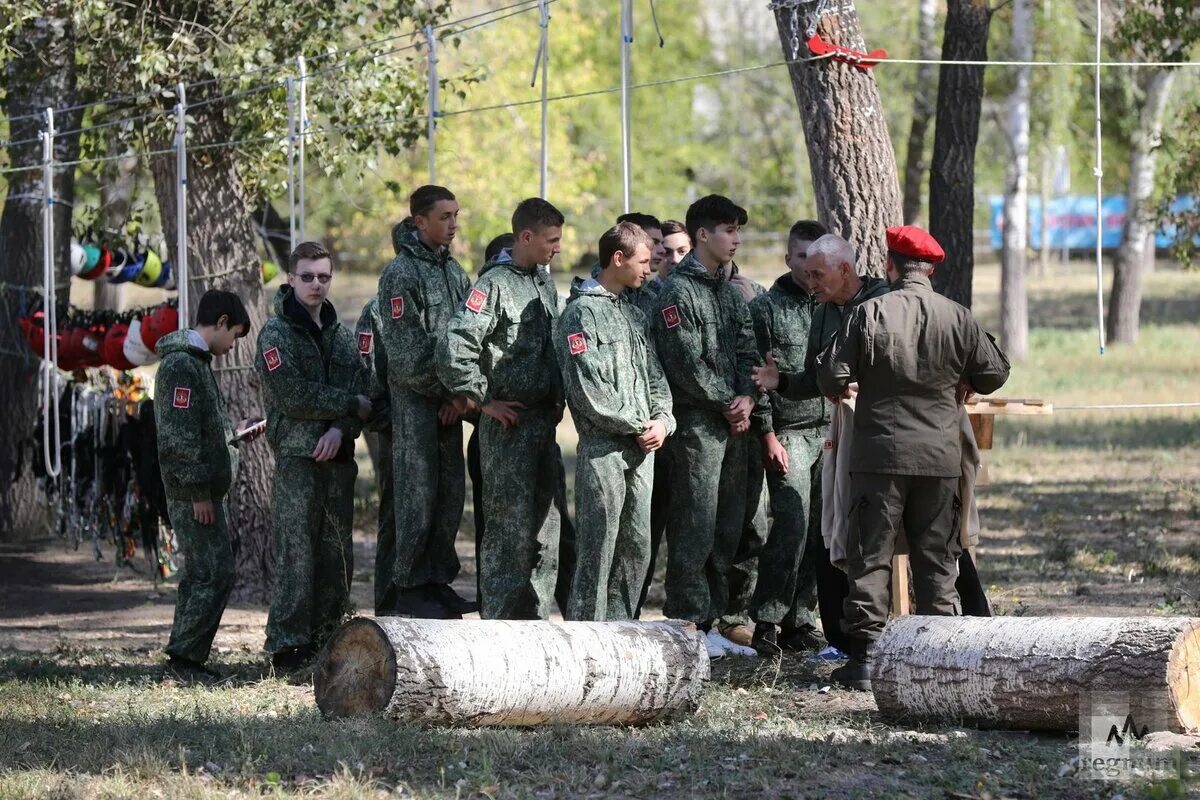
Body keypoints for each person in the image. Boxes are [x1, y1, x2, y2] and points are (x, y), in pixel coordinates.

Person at [815, 225, 1010, 691]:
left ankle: (866, 659)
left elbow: (831, 377)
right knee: (937, 560)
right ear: (931, 270)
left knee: (870, 556)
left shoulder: (869, 313)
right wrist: (961, 380)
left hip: (878, 453)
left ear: (890, 266)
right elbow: (995, 373)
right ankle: (937, 659)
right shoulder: (958, 317)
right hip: (939, 458)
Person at [437, 198, 571, 620]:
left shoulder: (542, 281)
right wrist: (483, 400)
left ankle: (535, 620)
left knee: (546, 531)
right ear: (526, 237)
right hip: (508, 427)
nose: (558, 248)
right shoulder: (492, 285)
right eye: (551, 240)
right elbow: (454, 347)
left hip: (541, 424)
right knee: (508, 534)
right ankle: (500, 625)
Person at [650, 194, 760, 659]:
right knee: (694, 525)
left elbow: (747, 348)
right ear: (702, 235)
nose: (735, 239)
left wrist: (748, 398)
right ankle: (689, 622)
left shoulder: (726, 290)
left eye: (737, 230)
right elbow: (684, 364)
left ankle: (717, 618)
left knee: (727, 525)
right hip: (698, 426)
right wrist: (726, 402)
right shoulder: (679, 291)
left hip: (734, 424)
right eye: (728, 230)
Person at [259, 241, 372, 673]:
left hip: (338, 457)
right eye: (307, 276)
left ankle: (327, 642)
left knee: (335, 553)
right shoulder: (276, 334)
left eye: (324, 276)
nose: (316, 284)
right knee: (296, 553)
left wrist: (341, 428)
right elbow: (291, 394)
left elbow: (365, 397)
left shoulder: (340, 335)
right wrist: (346, 406)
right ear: (291, 279)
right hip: (297, 458)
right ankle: (288, 648)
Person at [556, 222, 675, 620]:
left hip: (643, 449)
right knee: (599, 549)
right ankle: (588, 639)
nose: (650, 267)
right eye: (643, 261)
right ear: (618, 259)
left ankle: (623, 634)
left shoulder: (632, 313)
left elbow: (655, 376)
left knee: (637, 546)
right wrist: (638, 425)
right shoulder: (580, 314)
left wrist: (663, 421)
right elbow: (589, 394)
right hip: (605, 449)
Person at [376, 186, 476, 619]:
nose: (453, 224)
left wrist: (463, 396)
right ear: (419, 221)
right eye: (444, 216)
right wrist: (450, 390)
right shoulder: (401, 274)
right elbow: (406, 355)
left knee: (449, 496)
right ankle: (410, 585)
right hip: (418, 409)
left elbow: (470, 337)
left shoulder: (455, 273)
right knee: (417, 498)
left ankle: (437, 582)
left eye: (456, 215)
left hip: (450, 411)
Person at [156, 290, 260, 682]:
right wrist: (200, 492)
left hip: (200, 489)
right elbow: (178, 438)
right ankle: (184, 662)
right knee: (212, 573)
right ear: (219, 323)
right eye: (233, 334)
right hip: (192, 493)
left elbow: (198, 430)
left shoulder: (195, 364)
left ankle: (185, 657)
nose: (233, 345)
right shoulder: (182, 366)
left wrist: (231, 436)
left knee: (208, 572)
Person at [746, 220, 831, 655]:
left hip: (829, 431)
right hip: (789, 433)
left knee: (820, 528)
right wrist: (767, 435)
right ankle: (767, 619)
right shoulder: (766, 308)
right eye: (801, 257)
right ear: (788, 259)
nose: (809, 267)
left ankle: (802, 619)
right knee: (791, 526)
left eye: (815, 259)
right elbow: (757, 378)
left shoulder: (832, 305)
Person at [635, 219, 690, 616]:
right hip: (642, 427)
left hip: (677, 425)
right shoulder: (629, 297)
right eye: (655, 246)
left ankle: (683, 614)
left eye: (670, 248)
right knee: (640, 533)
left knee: (683, 526)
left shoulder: (670, 295)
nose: (661, 255)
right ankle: (628, 611)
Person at [466, 232, 515, 601]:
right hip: (493, 428)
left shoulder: (540, 289)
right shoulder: (488, 292)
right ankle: (492, 606)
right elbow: (457, 351)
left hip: (535, 429)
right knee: (495, 528)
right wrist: (482, 400)